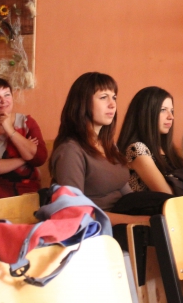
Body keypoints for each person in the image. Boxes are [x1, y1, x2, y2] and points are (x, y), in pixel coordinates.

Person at [50, 72, 149, 225]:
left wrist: (145, 209)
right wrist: (139, 220)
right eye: (103, 97)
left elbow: (126, 193)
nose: (112, 104)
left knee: (167, 206)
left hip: (123, 215)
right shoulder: (70, 150)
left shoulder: (108, 144)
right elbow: (74, 212)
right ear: (82, 103)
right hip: (99, 227)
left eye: (114, 97)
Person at [117, 86, 183, 194]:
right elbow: (166, 193)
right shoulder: (137, 148)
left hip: (177, 204)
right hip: (151, 205)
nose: (171, 117)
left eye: (172, 111)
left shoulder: (167, 148)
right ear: (145, 113)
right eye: (163, 110)